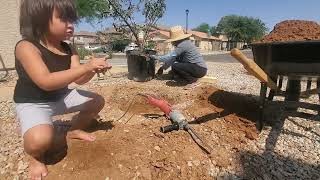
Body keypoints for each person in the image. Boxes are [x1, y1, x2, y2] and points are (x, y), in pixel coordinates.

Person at [14, 0, 111, 179]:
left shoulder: (68, 48)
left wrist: (92, 70)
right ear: (40, 19)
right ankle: (36, 158)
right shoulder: (26, 47)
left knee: (97, 101)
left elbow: (79, 79)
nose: (71, 25)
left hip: (61, 96)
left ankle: (73, 130)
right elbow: (45, 81)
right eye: (64, 19)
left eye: (72, 20)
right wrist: (85, 67)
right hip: (34, 102)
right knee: (38, 141)